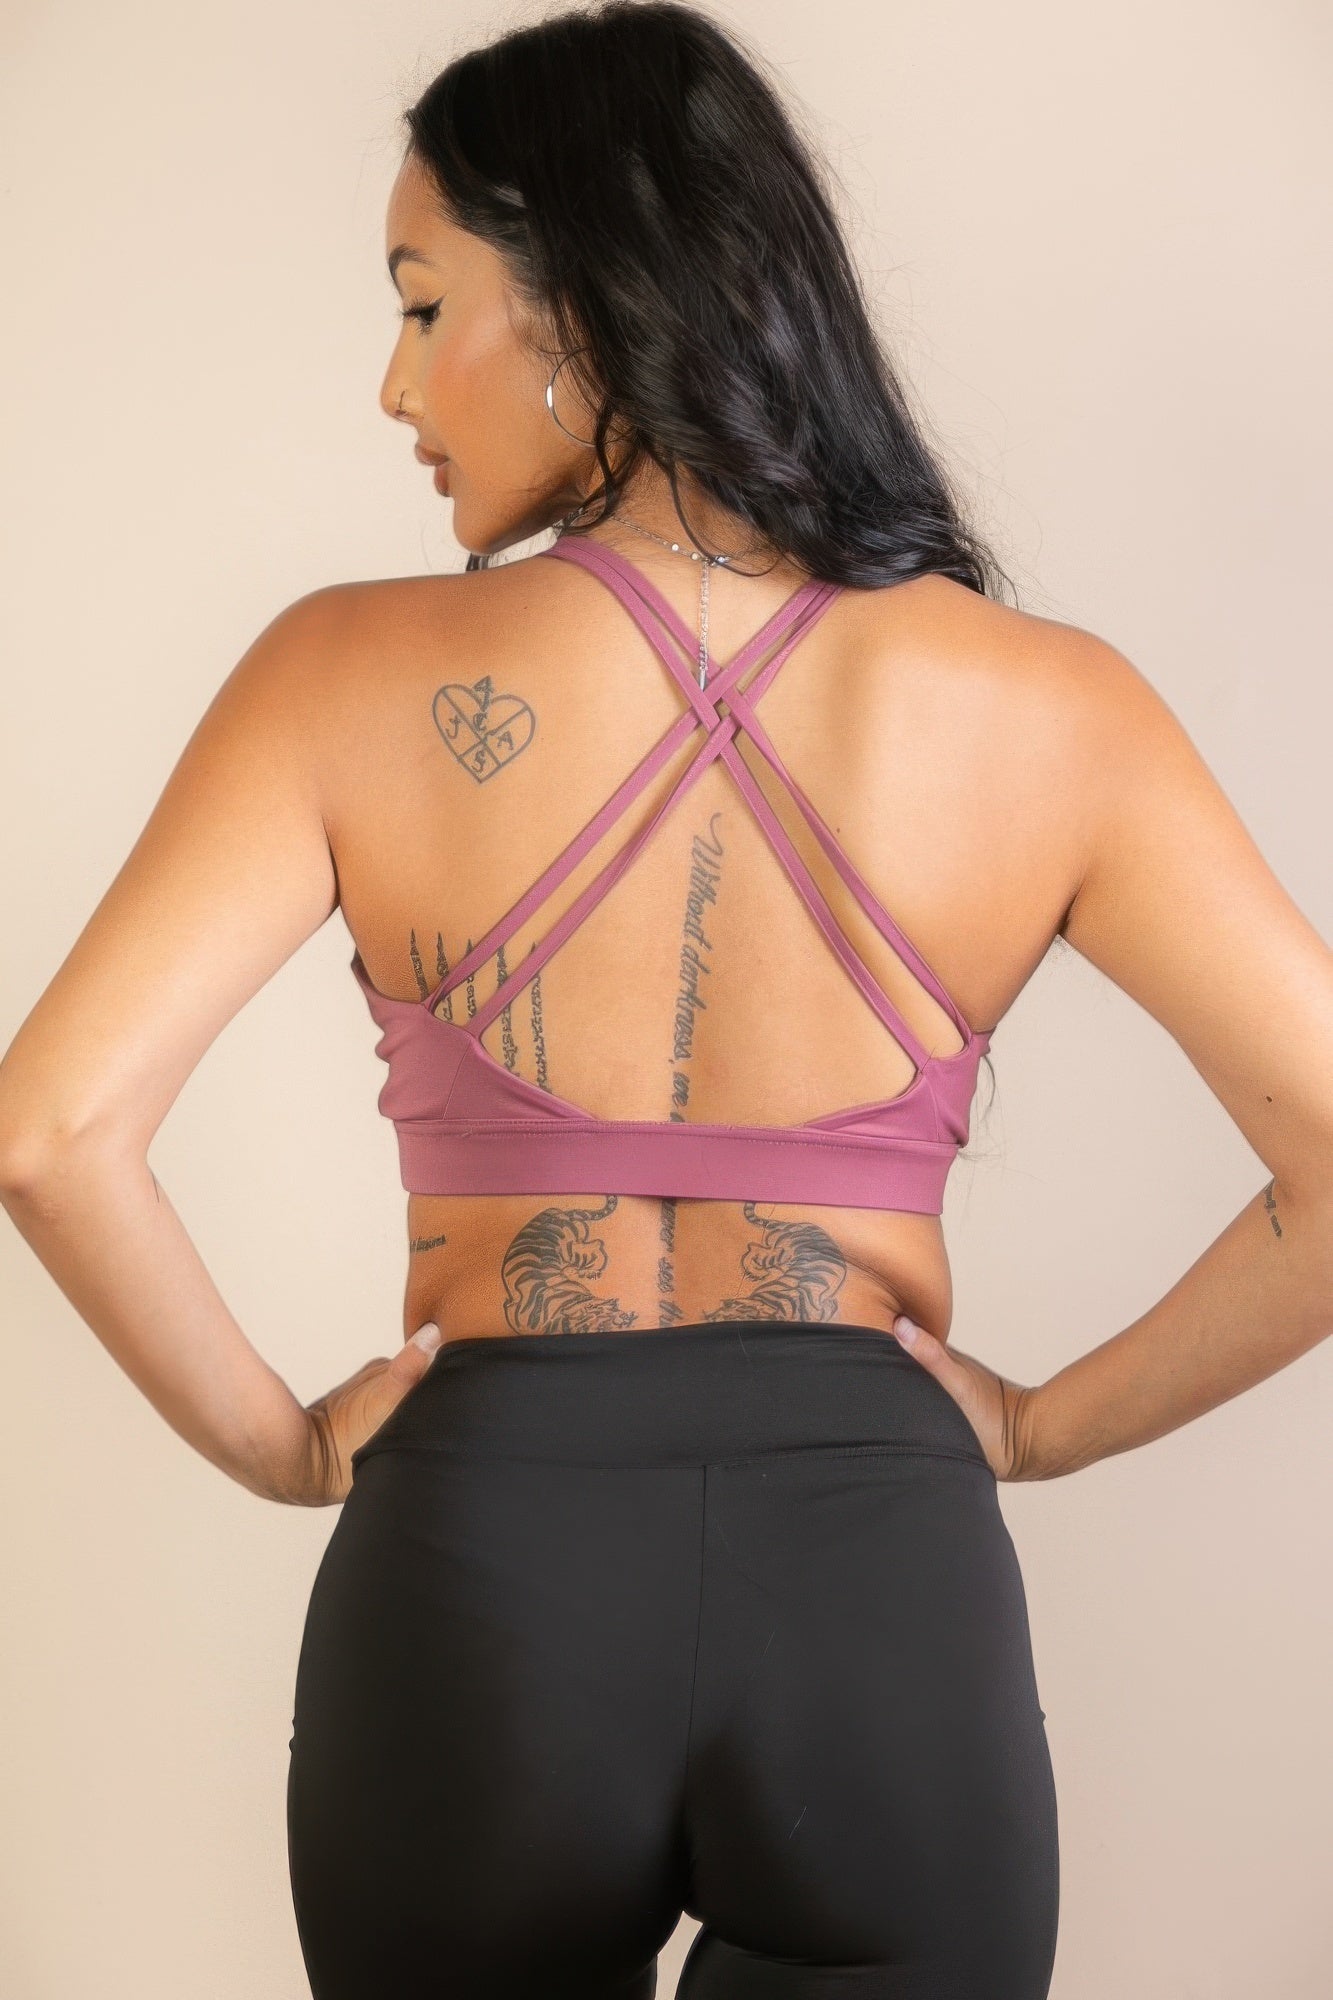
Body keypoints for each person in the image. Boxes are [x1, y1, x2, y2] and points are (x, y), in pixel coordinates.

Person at [1, 4, 1329, 1996]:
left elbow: (51, 1132)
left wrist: (284, 1448)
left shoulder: (337, 674)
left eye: (423, 301)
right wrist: (1039, 1426)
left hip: (480, 1582)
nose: (393, 381)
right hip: (878, 1584)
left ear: (581, 299)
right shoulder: (1052, 709)